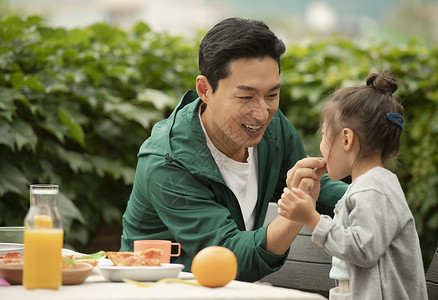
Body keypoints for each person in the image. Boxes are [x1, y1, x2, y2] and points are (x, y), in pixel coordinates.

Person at [120, 17, 347, 282]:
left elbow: (316, 183)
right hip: (157, 290)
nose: (262, 112)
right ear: (204, 89)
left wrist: (369, 195)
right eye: (245, 97)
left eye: (272, 95)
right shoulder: (167, 162)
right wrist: (298, 214)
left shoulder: (272, 130)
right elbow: (227, 258)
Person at [278, 71, 428, 299]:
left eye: (325, 136)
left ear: (346, 139)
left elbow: (362, 249)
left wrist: (311, 218)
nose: (322, 148)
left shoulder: (373, 189)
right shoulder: (370, 185)